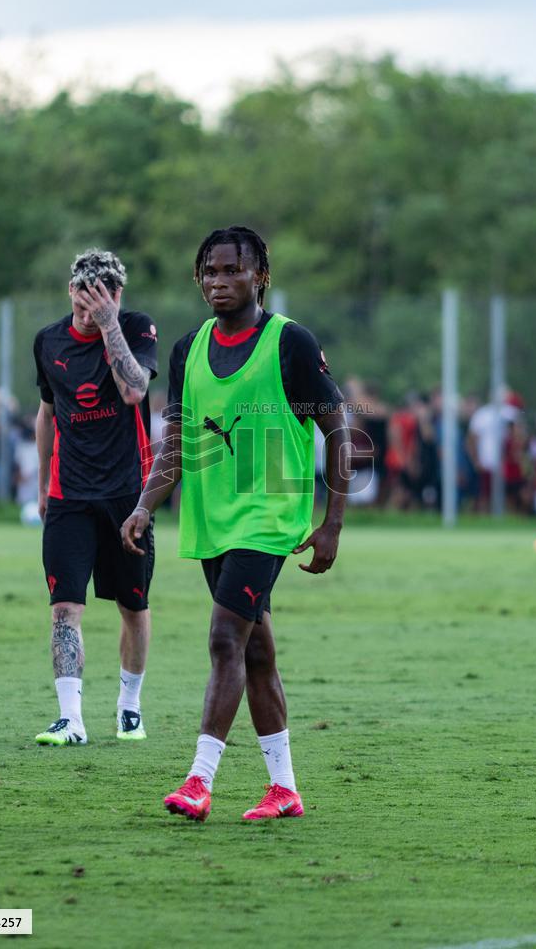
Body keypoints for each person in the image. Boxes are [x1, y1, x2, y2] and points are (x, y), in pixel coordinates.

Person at [121, 225, 349, 821]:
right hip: (212, 518)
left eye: (232, 270)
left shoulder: (290, 343)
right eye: (209, 272)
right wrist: (146, 505)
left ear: (261, 277)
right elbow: (175, 444)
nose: (219, 281)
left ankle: (199, 781)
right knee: (256, 654)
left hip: (271, 513)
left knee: (225, 638)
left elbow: (341, 433)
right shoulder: (188, 349)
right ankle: (285, 789)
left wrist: (331, 525)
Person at [33, 249, 158, 745]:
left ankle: (129, 706)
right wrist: (44, 482)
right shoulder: (48, 341)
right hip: (69, 495)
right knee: (64, 607)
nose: (88, 316)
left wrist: (110, 326)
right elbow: (46, 413)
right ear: (70, 292)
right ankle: (72, 719)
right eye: (82, 307)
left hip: (129, 496)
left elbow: (133, 391)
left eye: (99, 305)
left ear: (116, 297)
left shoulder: (137, 327)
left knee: (133, 605)